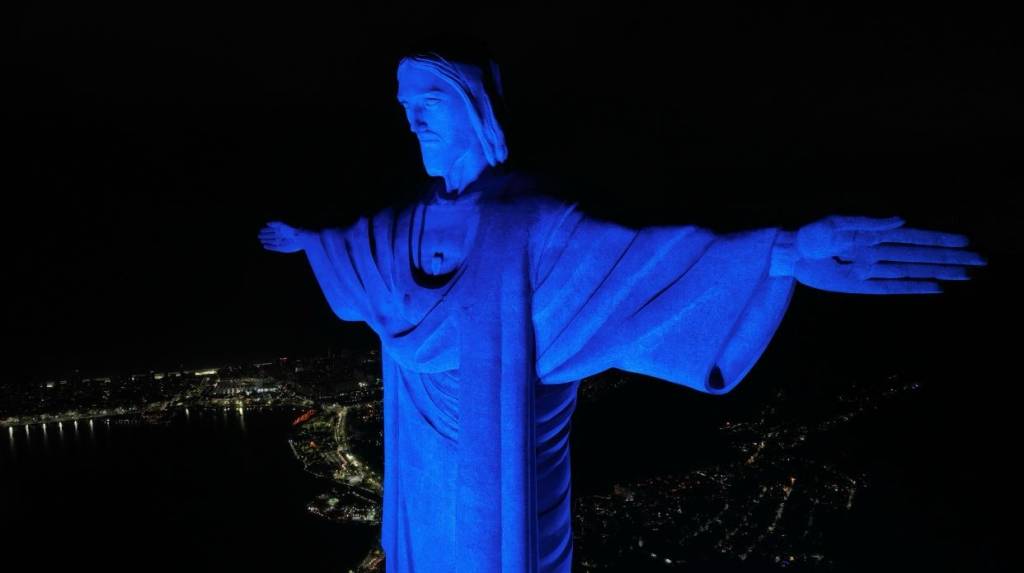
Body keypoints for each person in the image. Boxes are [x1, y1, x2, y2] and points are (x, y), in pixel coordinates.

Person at [258, 40, 985, 573]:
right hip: (424, 482)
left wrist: (784, 253)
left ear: (474, 105)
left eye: (429, 103)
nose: (413, 119)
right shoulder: (403, 223)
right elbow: (355, 251)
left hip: (501, 499)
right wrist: (308, 241)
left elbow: (648, 262)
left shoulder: (531, 225)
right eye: (406, 108)